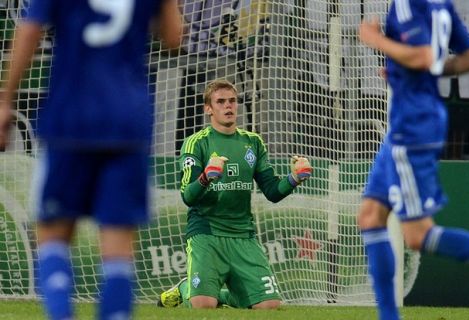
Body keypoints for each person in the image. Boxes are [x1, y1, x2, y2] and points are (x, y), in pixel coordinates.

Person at [0, 0, 183, 319]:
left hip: (70, 119)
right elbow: (173, 38)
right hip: (128, 122)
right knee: (118, 247)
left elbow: (29, 30)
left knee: (52, 233)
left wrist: (6, 99)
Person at [357, 1, 469, 319]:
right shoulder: (441, 4)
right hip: (412, 122)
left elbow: (423, 56)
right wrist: (403, 70)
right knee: (370, 216)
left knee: (418, 236)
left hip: (412, 126)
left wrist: (376, 39)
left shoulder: (409, 4)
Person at [157, 79, 312, 309]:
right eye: (220, 102)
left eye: (232, 101)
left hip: (243, 234)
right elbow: (188, 197)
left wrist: (294, 178)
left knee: (270, 306)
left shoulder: (253, 142)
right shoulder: (195, 143)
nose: (228, 106)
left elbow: (271, 191)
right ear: (208, 108)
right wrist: (206, 177)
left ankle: (224, 295)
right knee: (202, 306)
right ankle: (185, 288)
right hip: (207, 234)